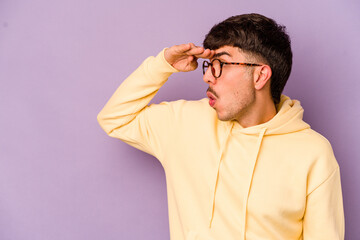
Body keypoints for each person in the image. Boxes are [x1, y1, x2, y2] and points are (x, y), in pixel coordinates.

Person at [97, 13, 344, 240]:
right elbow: (115, 118)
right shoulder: (185, 123)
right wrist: (164, 64)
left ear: (260, 76)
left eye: (220, 65)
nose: (207, 76)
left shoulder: (314, 154)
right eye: (209, 65)